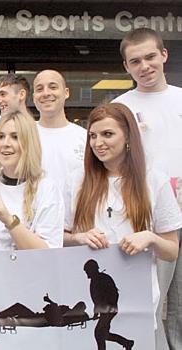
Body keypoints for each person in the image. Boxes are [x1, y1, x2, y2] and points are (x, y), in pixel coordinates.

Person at [64, 103, 181, 339]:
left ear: (128, 136)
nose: (98, 143)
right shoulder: (76, 180)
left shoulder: (154, 180)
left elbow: (171, 251)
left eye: (107, 134)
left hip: (139, 301)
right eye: (93, 136)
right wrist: (79, 237)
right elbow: (57, 238)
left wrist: (149, 238)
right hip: (89, 297)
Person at [113, 27, 182, 350]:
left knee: (180, 308)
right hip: (146, 219)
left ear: (164, 55)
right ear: (126, 67)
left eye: (151, 57)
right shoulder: (121, 108)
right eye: (135, 61)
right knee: (151, 303)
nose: (145, 66)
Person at [0, 112, 64, 251]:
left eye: (15, 137)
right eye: (0, 137)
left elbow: (48, 253)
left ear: (29, 143)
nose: (5, 144)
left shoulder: (46, 188)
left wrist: (9, 221)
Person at [33, 69, 87, 190]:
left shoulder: (84, 138)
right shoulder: (22, 136)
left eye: (53, 87)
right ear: (33, 97)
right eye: (39, 89)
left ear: (66, 93)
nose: (46, 93)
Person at [84, 259, 134, 350]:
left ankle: (126, 343)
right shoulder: (94, 281)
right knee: (104, 334)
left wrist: (109, 308)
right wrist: (96, 313)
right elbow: (97, 300)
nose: (87, 273)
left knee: (98, 333)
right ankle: (127, 342)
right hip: (105, 310)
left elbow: (114, 294)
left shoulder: (103, 278)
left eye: (87, 270)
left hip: (109, 309)